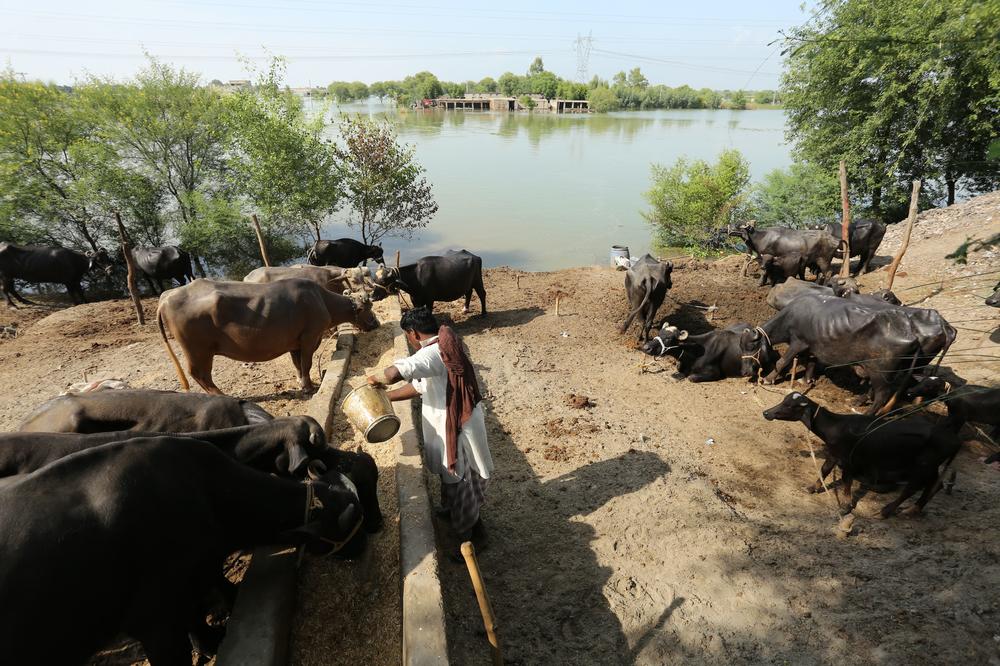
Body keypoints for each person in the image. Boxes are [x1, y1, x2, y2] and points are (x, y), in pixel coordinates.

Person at [367, 306, 493, 558]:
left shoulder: (434, 353)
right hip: (447, 423)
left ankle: (475, 536)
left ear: (413, 333)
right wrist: (384, 398)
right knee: (451, 476)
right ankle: (453, 511)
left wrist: (377, 379)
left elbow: (395, 373)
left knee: (462, 480)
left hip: (458, 428)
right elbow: (418, 388)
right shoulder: (440, 347)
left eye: (408, 336)